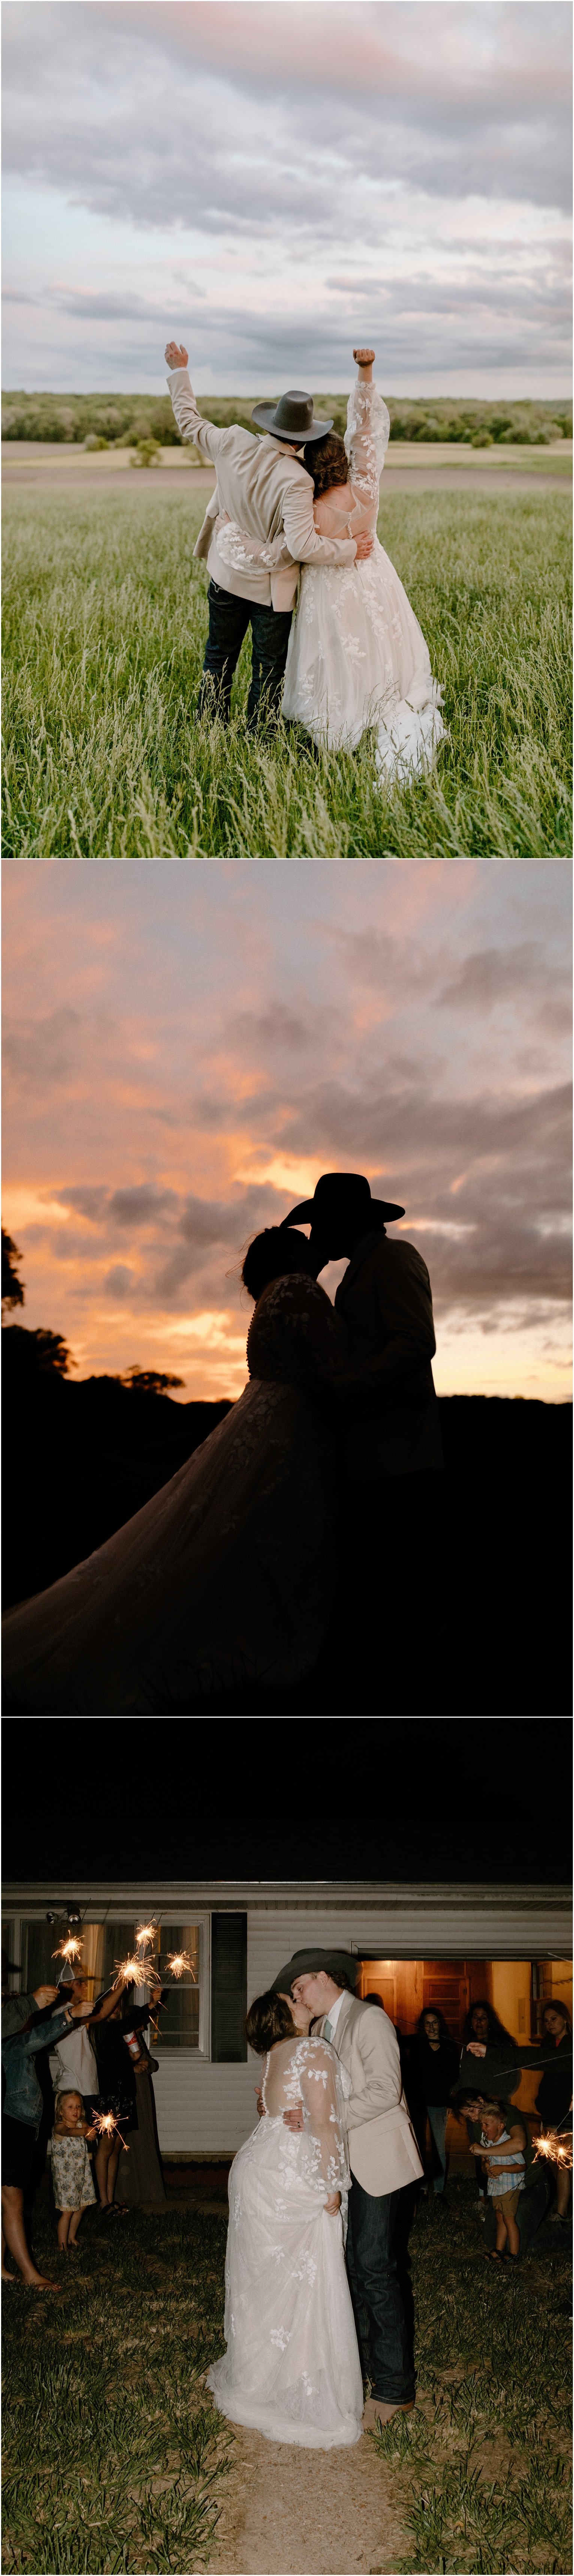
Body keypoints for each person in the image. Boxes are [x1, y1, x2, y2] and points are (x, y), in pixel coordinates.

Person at [1, 1227, 349, 1714]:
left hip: (265, 1417)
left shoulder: (274, 1292)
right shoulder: (298, 1287)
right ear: (291, 1253)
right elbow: (332, 1366)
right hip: (289, 1429)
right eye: (304, 1239)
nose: (316, 1244)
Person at [235, 347, 444, 779]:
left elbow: (294, 543)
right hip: (374, 574)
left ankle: (340, 720)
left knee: (333, 650)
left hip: (328, 585)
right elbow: (365, 427)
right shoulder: (367, 482)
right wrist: (365, 372)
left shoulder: (307, 504)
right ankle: (380, 705)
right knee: (380, 643)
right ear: (345, 458)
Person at [164, 342, 373, 729]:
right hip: (269, 592)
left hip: (225, 576)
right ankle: (258, 737)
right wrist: (348, 549)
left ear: (271, 425)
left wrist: (180, 371)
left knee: (218, 656)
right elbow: (301, 546)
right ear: (303, 439)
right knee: (267, 667)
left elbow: (189, 423)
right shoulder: (296, 480)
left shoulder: (230, 441)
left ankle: (208, 727)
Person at [271, 1948, 423, 2427]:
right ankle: (355, 2372)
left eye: (298, 1988)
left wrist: (326, 2123)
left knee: (375, 2268)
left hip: (377, 2161)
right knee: (352, 2267)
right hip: (341, 2166)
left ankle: (396, 2388)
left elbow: (384, 2090)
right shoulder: (317, 2031)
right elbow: (321, 2094)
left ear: (322, 1976)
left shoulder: (369, 2018)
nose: (297, 1998)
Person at [207, 1984, 363, 2449]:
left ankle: (265, 2377)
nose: (300, 2000)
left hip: (258, 2169)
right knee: (303, 2281)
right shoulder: (311, 2048)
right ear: (283, 2016)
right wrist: (331, 2180)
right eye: (292, 2000)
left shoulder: (274, 2056)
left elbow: (281, 2109)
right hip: (288, 2177)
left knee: (268, 2283)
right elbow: (322, 2120)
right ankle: (299, 2381)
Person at [1, 1982, 93, 2289]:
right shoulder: (8, 2046)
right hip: (10, 2124)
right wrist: (69, 2017)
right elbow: (37, 2038)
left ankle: (1, 2267)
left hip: (21, 2125)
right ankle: (30, 2275)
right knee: (12, 2198)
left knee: (6, 2199)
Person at [407, 2010, 459, 2199]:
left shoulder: (449, 2047)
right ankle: (422, 2187)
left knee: (438, 2148)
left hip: (439, 2104)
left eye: (435, 2023)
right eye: (427, 2024)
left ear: (441, 2024)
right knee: (420, 2146)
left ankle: (438, 2190)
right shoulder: (417, 2044)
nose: (431, 2027)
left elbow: (455, 2078)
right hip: (420, 2105)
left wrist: (451, 2104)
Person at [114, 2027, 167, 2212]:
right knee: (129, 2143)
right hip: (127, 2092)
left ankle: (147, 2191)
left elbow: (150, 2062)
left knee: (145, 2138)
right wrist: (132, 2068)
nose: (145, 2027)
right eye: (141, 2023)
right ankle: (125, 2193)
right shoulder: (118, 2036)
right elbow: (113, 2065)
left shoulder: (136, 2038)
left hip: (142, 2093)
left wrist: (147, 2065)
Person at [470, 2099, 526, 2263]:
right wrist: (487, 2165)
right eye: (482, 2125)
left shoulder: (507, 2143)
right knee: (500, 2217)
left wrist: (503, 2168)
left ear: (501, 2126)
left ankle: (514, 2254)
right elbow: (487, 2160)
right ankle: (499, 2250)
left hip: (510, 2188)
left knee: (509, 2219)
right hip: (498, 2188)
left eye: (487, 2125)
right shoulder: (489, 2143)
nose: (483, 2128)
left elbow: (522, 2166)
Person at [535, 2004, 572, 2224]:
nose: (550, 2024)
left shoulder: (572, 2044)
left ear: (565, 2019)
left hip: (568, 2111)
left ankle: (562, 2212)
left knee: (564, 2161)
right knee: (549, 2158)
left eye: (554, 2019)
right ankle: (562, 2203)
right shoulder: (547, 2045)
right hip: (549, 2109)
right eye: (547, 2021)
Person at [51, 2088, 97, 2253]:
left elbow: (87, 2129)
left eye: (78, 2106)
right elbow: (70, 2133)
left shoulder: (81, 2124)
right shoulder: (60, 2128)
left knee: (81, 2206)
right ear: (61, 2112)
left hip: (82, 2174)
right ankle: (62, 2246)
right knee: (68, 2211)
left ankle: (72, 2237)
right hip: (66, 2178)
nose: (75, 2110)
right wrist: (85, 2132)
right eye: (70, 2107)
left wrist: (90, 2132)